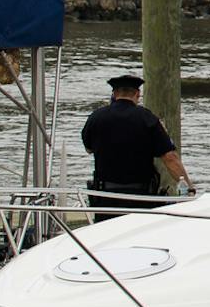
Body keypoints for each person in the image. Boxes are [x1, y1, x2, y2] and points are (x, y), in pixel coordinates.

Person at [81, 74, 192, 218]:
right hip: (141, 197)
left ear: (114, 94)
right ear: (137, 94)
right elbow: (170, 157)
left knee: (106, 234)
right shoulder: (148, 119)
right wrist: (189, 187)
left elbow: (88, 148)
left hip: (105, 197)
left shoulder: (95, 118)